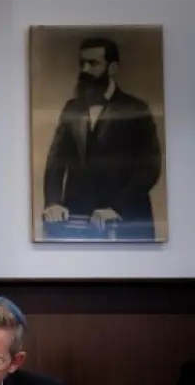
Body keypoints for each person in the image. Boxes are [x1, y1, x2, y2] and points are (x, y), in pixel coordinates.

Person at [41, 37, 162, 241]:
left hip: (126, 221)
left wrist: (116, 208)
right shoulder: (72, 108)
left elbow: (149, 167)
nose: (85, 69)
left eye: (93, 63)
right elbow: (56, 159)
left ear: (113, 67)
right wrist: (53, 202)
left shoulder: (136, 108)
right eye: (82, 63)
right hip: (78, 220)